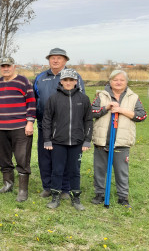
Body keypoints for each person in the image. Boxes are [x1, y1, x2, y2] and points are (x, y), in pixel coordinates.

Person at [34, 48, 85, 199]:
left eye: (59, 58)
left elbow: (80, 100)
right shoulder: (40, 78)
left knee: (65, 158)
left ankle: (64, 188)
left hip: (66, 128)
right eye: (52, 58)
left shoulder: (74, 76)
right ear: (48, 60)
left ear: (65, 60)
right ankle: (48, 186)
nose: (55, 60)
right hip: (45, 126)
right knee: (45, 157)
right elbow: (35, 99)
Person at [91, 70, 147, 209]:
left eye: (122, 80)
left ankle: (123, 197)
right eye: (115, 79)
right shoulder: (101, 95)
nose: (118, 82)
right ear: (110, 81)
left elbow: (141, 116)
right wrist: (106, 108)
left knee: (122, 170)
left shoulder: (133, 97)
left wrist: (121, 110)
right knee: (99, 169)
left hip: (121, 141)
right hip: (102, 140)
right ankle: (100, 194)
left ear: (126, 82)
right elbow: (91, 112)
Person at [42, 69, 92, 210]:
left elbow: (88, 120)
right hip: (58, 142)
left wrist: (87, 139)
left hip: (77, 142)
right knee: (57, 170)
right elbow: (46, 120)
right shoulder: (54, 98)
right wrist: (47, 139)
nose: (68, 82)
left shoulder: (83, 99)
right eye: (66, 80)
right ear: (61, 81)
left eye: (71, 80)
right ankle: (55, 197)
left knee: (74, 171)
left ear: (76, 81)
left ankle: (76, 198)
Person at [0, 57, 36, 202]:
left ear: (13, 66)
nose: (5, 68)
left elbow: (31, 103)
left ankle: (22, 190)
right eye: (3, 66)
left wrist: (30, 123)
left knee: (22, 158)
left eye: (8, 66)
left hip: (21, 127)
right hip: (2, 128)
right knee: (2, 157)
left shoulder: (23, 81)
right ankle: (8, 184)